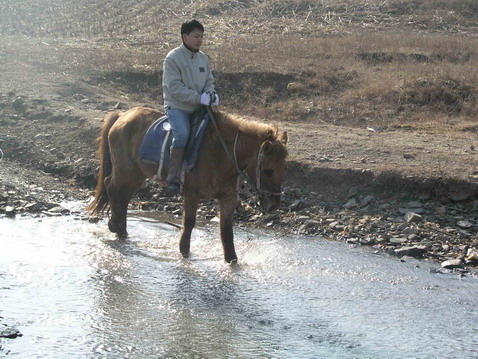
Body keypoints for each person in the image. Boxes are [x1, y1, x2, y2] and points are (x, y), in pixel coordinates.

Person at [162, 19, 219, 195]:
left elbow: (209, 82)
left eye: (201, 36)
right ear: (184, 36)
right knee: (183, 134)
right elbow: (175, 88)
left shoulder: (203, 58)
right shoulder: (173, 58)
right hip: (178, 107)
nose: (199, 40)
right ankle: (173, 178)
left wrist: (210, 94)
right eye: (196, 36)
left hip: (199, 107)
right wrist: (198, 98)